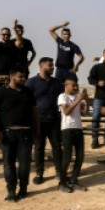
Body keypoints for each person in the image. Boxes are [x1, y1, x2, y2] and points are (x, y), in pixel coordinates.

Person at [0, 67, 39, 202]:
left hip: (26, 133)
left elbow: (34, 111)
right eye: (20, 76)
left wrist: (37, 129)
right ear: (12, 77)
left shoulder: (28, 92)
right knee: (8, 163)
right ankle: (11, 190)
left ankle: (23, 188)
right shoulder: (1, 92)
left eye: (24, 77)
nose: (23, 79)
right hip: (8, 133)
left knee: (24, 164)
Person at [25, 57, 64, 185]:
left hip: (54, 120)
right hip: (38, 121)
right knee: (39, 148)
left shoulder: (57, 83)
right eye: (50, 66)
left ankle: (59, 172)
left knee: (57, 148)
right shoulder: (31, 83)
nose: (52, 68)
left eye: (53, 65)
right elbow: (26, 102)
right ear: (41, 67)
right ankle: (39, 173)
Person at [57, 78, 90, 192]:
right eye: (73, 85)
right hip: (67, 129)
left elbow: (85, 113)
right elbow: (66, 112)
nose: (75, 88)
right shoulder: (63, 96)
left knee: (80, 156)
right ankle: (62, 182)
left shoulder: (77, 97)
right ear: (66, 85)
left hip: (78, 128)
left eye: (76, 85)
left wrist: (86, 100)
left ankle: (74, 180)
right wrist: (78, 100)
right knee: (67, 157)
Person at [0, 22, 21, 97]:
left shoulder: (13, 45)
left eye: (8, 34)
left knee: (9, 96)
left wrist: (15, 29)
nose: (6, 36)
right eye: (4, 34)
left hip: (10, 76)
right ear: (0, 35)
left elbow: (19, 43)